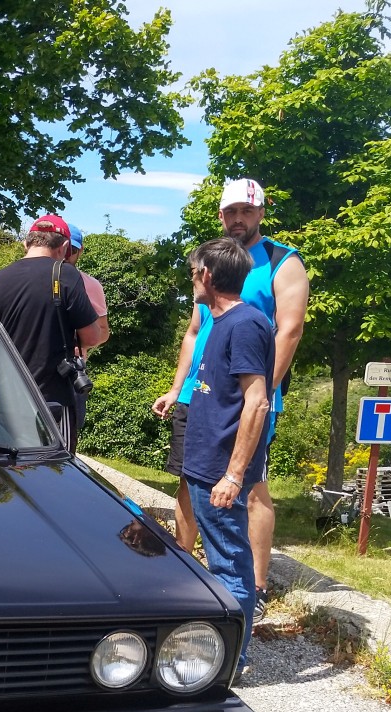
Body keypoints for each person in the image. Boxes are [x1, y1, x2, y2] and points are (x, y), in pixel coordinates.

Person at [152, 178, 309, 618]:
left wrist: (257, 395)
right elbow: (194, 330)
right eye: (231, 211)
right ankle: (183, 571)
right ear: (221, 215)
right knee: (189, 480)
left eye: (247, 210)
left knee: (250, 488)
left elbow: (290, 330)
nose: (239, 219)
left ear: (261, 213)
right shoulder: (213, 262)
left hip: (244, 396)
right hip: (198, 392)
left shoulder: (282, 261)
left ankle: (253, 588)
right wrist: (176, 387)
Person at [181, 237, 274, 680]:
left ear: (208, 275)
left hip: (221, 470)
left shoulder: (246, 324)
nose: (191, 280)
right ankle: (221, 653)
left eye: (193, 272)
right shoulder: (219, 322)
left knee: (230, 566)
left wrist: (234, 475)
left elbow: (257, 401)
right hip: (204, 463)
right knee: (222, 561)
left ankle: (229, 663)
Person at [0, 215, 109, 451]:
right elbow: (92, 337)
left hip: (7, 397)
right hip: (52, 399)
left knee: (11, 465)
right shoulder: (65, 274)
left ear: (26, 243)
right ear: (64, 247)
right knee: (56, 466)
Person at [65, 221, 109, 435]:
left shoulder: (90, 284)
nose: (66, 255)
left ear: (80, 251)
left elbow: (103, 331)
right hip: (27, 365)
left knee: (68, 434)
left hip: (71, 370)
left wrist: (82, 343)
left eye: (71, 250)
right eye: (64, 249)